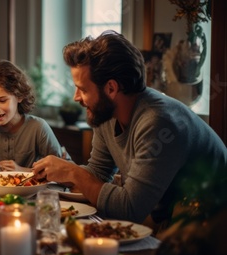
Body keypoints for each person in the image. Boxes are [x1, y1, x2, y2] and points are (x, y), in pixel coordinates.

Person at [32, 31, 227, 230]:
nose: (76, 97)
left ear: (111, 88)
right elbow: (98, 173)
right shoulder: (106, 113)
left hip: (211, 223)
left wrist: (73, 172)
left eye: (82, 89)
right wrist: (56, 176)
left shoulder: (157, 122)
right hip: (173, 219)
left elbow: (130, 209)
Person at [0, 59, 70, 171]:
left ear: (19, 96)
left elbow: (63, 171)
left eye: (2, 100)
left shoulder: (38, 127)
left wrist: (21, 171)